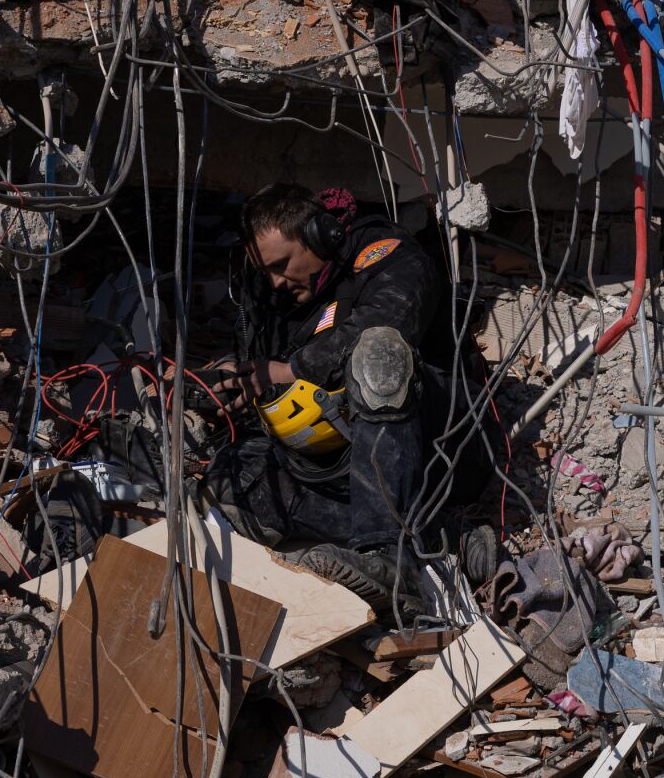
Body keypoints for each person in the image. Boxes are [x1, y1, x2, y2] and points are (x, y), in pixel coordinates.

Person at [200, 182, 485, 609]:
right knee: (234, 476)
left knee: (379, 354)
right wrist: (242, 389)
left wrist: (284, 370)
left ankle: (391, 557)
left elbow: (389, 323)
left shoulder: (389, 256)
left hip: (438, 446)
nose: (275, 281)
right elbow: (272, 371)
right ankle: (427, 537)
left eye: (281, 265)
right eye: (266, 272)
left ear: (321, 235)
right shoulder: (279, 296)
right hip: (346, 468)